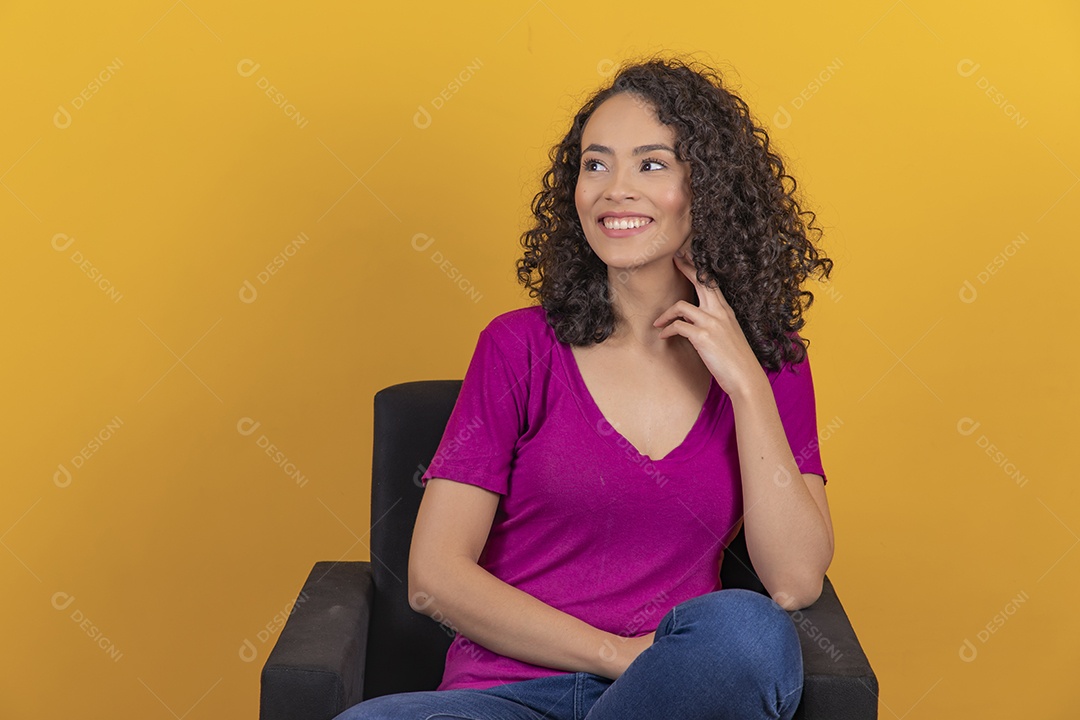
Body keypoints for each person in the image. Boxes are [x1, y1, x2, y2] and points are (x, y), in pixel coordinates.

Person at [334, 54, 835, 720]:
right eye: (595, 164)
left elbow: (795, 582)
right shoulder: (518, 348)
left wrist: (744, 382)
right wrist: (616, 654)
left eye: (650, 164)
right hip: (503, 698)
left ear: (708, 189)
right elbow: (434, 579)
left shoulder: (770, 363)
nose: (613, 188)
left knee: (750, 633)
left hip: (665, 698)